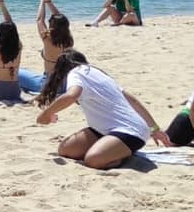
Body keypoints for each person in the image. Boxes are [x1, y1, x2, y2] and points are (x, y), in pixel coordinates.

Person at [36, 49, 169, 169]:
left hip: (130, 131)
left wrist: (46, 114)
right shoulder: (97, 73)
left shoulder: (75, 72)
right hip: (104, 129)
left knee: (93, 160)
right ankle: (111, 149)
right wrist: (154, 128)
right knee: (66, 150)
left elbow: (72, 95)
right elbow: (133, 101)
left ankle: (120, 156)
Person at [18, 0, 74, 93]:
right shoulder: (69, 40)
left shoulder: (48, 39)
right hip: (66, 83)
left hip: (49, 84)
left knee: (17, 73)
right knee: (28, 73)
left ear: (52, 26)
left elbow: (39, 20)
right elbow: (62, 20)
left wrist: (42, 0)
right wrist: (49, 2)